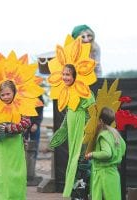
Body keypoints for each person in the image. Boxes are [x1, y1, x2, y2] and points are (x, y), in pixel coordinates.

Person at [49, 64, 95, 199]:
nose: (64, 77)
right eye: (63, 74)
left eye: (68, 74)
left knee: (82, 159)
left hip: (82, 130)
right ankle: (76, 194)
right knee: (74, 158)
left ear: (75, 76)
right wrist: (61, 133)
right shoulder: (67, 91)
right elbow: (69, 113)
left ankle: (83, 193)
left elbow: (92, 111)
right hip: (73, 128)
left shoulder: (84, 91)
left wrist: (88, 130)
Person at [0, 80, 31, 200]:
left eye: (8, 94)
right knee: (1, 175)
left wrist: (9, 128)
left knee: (16, 175)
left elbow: (27, 122)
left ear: (14, 92)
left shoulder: (20, 104)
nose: (5, 97)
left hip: (15, 146)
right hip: (2, 147)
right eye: (2, 95)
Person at [85, 107, 126, 200]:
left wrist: (92, 154)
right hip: (113, 173)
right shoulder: (116, 134)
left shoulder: (103, 135)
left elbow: (107, 153)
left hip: (102, 175)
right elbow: (122, 150)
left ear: (101, 120)